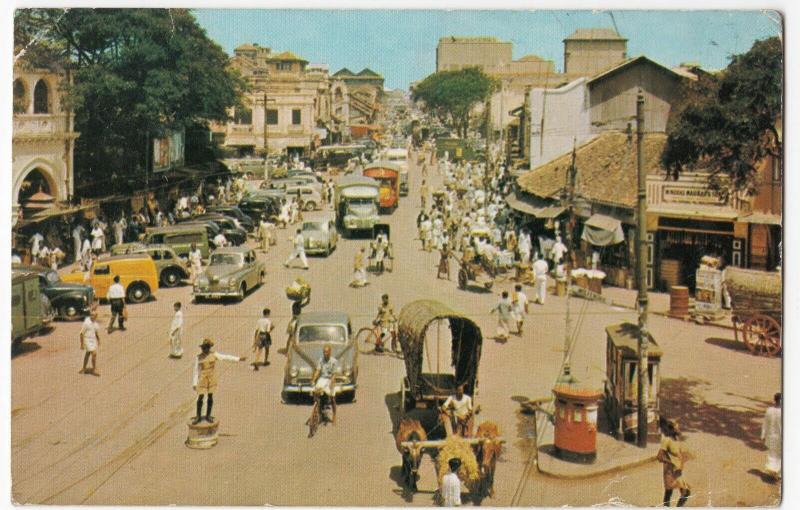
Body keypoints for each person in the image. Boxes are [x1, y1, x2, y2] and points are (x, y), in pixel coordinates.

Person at [192, 338, 246, 424]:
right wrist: (194, 383)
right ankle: (198, 416)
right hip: (202, 378)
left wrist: (238, 359)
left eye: (206, 347)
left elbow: (226, 357)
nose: (204, 349)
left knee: (210, 396)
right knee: (200, 397)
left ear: (209, 348)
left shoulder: (214, 354)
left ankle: (208, 415)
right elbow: (196, 370)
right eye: (203, 348)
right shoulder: (198, 357)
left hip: (211, 377)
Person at [658, 418, 692, 507]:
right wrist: (671, 463)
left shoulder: (676, 440)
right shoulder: (667, 440)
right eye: (677, 428)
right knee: (670, 492)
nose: (679, 429)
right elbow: (659, 456)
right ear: (672, 429)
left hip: (677, 472)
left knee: (684, 492)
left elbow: (680, 454)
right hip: (669, 471)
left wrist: (684, 459)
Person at [311, 344, 339, 426]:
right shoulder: (321, 360)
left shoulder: (334, 361)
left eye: (326, 352)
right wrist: (313, 379)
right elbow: (318, 371)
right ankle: (318, 407)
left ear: (330, 352)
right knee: (315, 391)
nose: (325, 353)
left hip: (330, 379)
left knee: (332, 397)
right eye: (324, 352)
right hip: (322, 378)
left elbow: (334, 374)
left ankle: (334, 415)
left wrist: (331, 382)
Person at [761, 392, 782, 481]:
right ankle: (779, 472)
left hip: (771, 436)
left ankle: (772, 468)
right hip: (780, 437)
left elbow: (765, 424)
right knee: (780, 455)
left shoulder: (769, 410)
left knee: (772, 454)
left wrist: (763, 435)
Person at [80, 309, 101, 375]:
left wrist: (98, 340)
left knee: (88, 353)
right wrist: (82, 344)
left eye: (94, 315)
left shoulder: (96, 323)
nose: (92, 316)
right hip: (87, 340)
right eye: (91, 315)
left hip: (93, 340)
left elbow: (96, 332)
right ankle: (94, 369)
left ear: (96, 316)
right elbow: (81, 334)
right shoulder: (86, 323)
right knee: (94, 353)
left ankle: (84, 368)